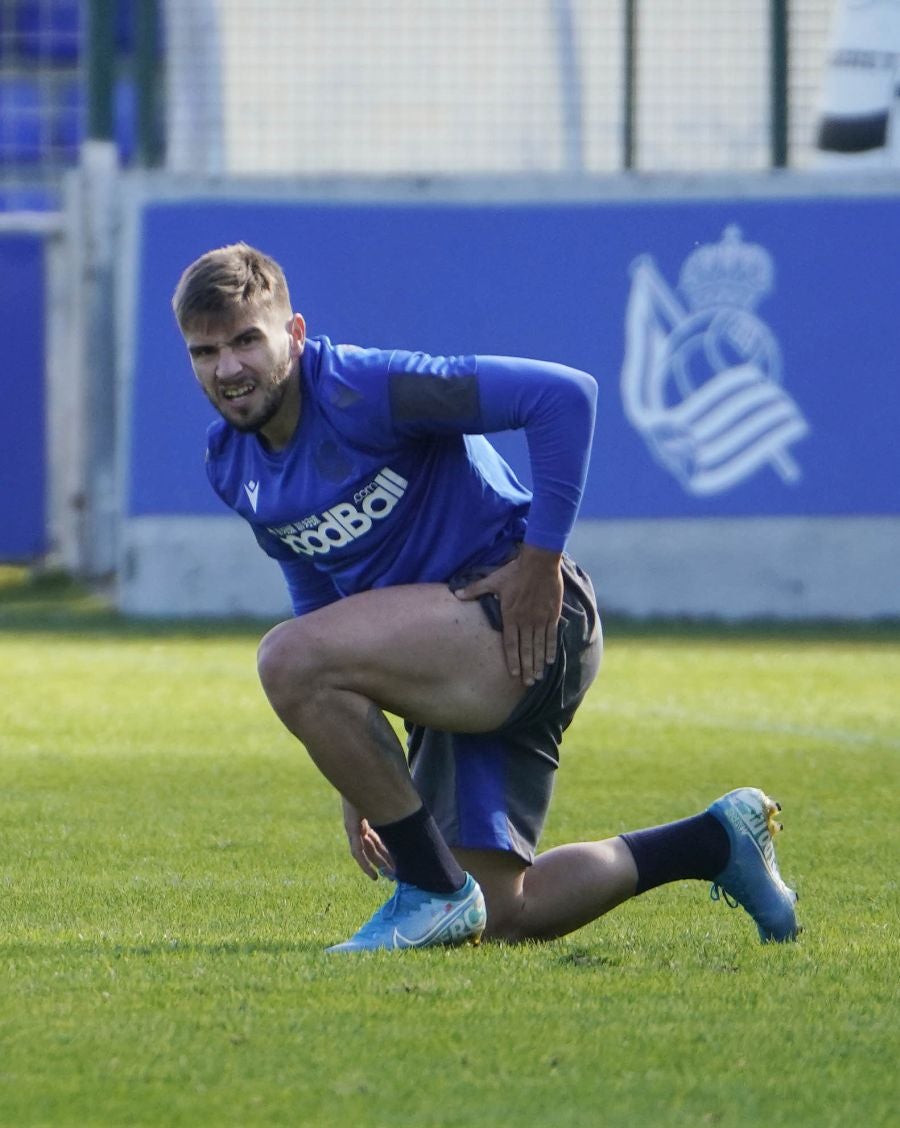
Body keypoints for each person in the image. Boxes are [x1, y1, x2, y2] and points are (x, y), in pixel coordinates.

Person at [172, 241, 799, 952]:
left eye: (247, 340)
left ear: (295, 333)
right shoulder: (231, 465)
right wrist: (356, 768)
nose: (228, 368)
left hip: (528, 615)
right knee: (501, 915)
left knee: (285, 659)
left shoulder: (365, 388)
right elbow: (316, 586)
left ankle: (428, 889)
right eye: (205, 351)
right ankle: (715, 842)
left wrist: (541, 560)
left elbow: (563, 397)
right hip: (446, 653)